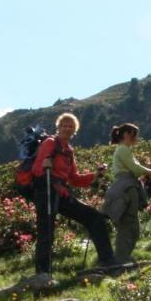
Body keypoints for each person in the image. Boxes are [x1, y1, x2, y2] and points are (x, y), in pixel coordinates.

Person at [30, 112, 116, 279]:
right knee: (46, 232)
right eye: (64, 125)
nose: (67, 128)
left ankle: (107, 260)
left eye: (70, 126)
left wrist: (95, 175)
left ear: (74, 130)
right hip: (45, 191)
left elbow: (75, 179)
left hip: (61, 193)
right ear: (59, 127)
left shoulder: (69, 151)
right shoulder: (49, 143)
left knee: (94, 217)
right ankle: (43, 274)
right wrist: (45, 165)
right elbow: (36, 169)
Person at [102, 123, 151, 264]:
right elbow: (135, 168)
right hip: (127, 187)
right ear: (126, 134)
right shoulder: (123, 150)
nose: (136, 138)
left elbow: (135, 167)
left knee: (130, 224)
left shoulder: (123, 150)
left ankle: (124, 257)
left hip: (126, 186)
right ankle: (121, 259)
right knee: (128, 223)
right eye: (134, 135)